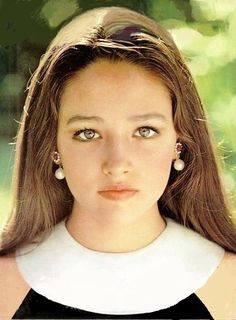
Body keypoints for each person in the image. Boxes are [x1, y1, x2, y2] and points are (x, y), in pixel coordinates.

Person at [0, 5, 235, 319]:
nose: (117, 163)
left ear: (179, 143)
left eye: (145, 131)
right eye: (87, 133)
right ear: (53, 146)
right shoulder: (6, 287)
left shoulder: (228, 286)